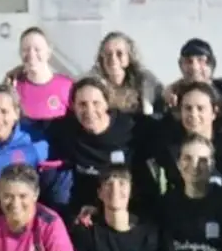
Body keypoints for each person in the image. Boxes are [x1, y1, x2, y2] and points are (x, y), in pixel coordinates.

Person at [45, 77, 160, 221]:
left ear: (107, 104)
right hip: (89, 211)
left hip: (135, 208)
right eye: (82, 104)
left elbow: (168, 130)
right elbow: (30, 126)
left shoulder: (133, 126)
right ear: (73, 106)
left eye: (96, 103)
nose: (89, 110)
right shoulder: (67, 130)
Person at [152, 81, 222, 200]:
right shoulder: (169, 144)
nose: (193, 114)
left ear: (214, 112)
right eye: (188, 108)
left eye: (200, 108)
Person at [158, 38, 222, 144]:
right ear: (181, 65)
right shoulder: (171, 100)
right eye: (188, 61)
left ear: (212, 64)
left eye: (201, 60)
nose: (194, 67)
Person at [6, 27, 74, 121]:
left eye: (37, 49)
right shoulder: (13, 87)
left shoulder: (67, 86)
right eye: (25, 49)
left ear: (49, 52)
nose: (31, 55)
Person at [91, 32, 163, 116]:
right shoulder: (92, 84)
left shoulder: (146, 82)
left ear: (129, 57)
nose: (113, 59)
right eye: (108, 54)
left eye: (119, 54)